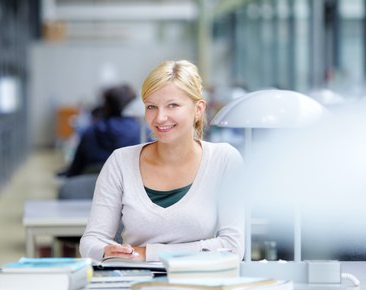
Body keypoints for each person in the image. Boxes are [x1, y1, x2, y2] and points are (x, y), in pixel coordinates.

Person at [80, 60, 245, 262]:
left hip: (201, 282)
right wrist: (106, 250)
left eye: (172, 105)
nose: (159, 118)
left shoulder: (225, 160)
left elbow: (233, 247)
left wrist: (147, 253)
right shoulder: (120, 161)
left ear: (199, 109)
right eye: (151, 106)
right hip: (134, 284)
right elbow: (91, 241)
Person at [60, 84, 142, 177]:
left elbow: (75, 169)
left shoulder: (91, 131)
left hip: (91, 187)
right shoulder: (143, 133)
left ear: (106, 106)